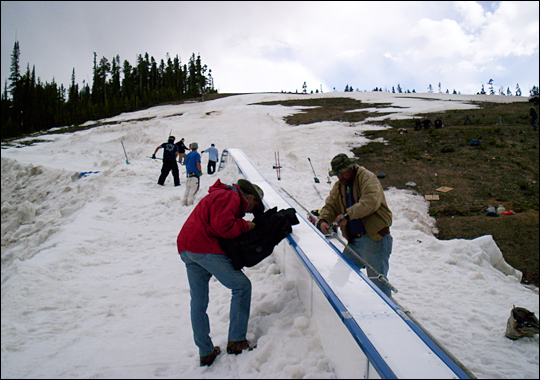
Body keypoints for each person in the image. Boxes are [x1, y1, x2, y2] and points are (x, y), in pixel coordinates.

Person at [177, 178, 264, 366]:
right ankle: (236, 341)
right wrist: (245, 226)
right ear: (249, 197)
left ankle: (206, 352)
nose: (250, 211)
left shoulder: (220, 194)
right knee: (242, 286)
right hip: (202, 246)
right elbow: (223, 227)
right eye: (253, 206)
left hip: (186, 247)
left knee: (198, 302)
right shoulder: (231, 196)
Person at [317, 153, 393, 297]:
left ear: (350, 167)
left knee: (377, 284)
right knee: (339, 273)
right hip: (354, 242)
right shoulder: (340, 185)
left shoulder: (368, 179)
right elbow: (330, 206)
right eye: (337, 174)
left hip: (374, 239)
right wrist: (323, 221)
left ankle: (389, 315)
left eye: (341, 173)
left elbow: (370, 202)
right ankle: (335, 303)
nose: (340, 177)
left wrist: (347, 215)